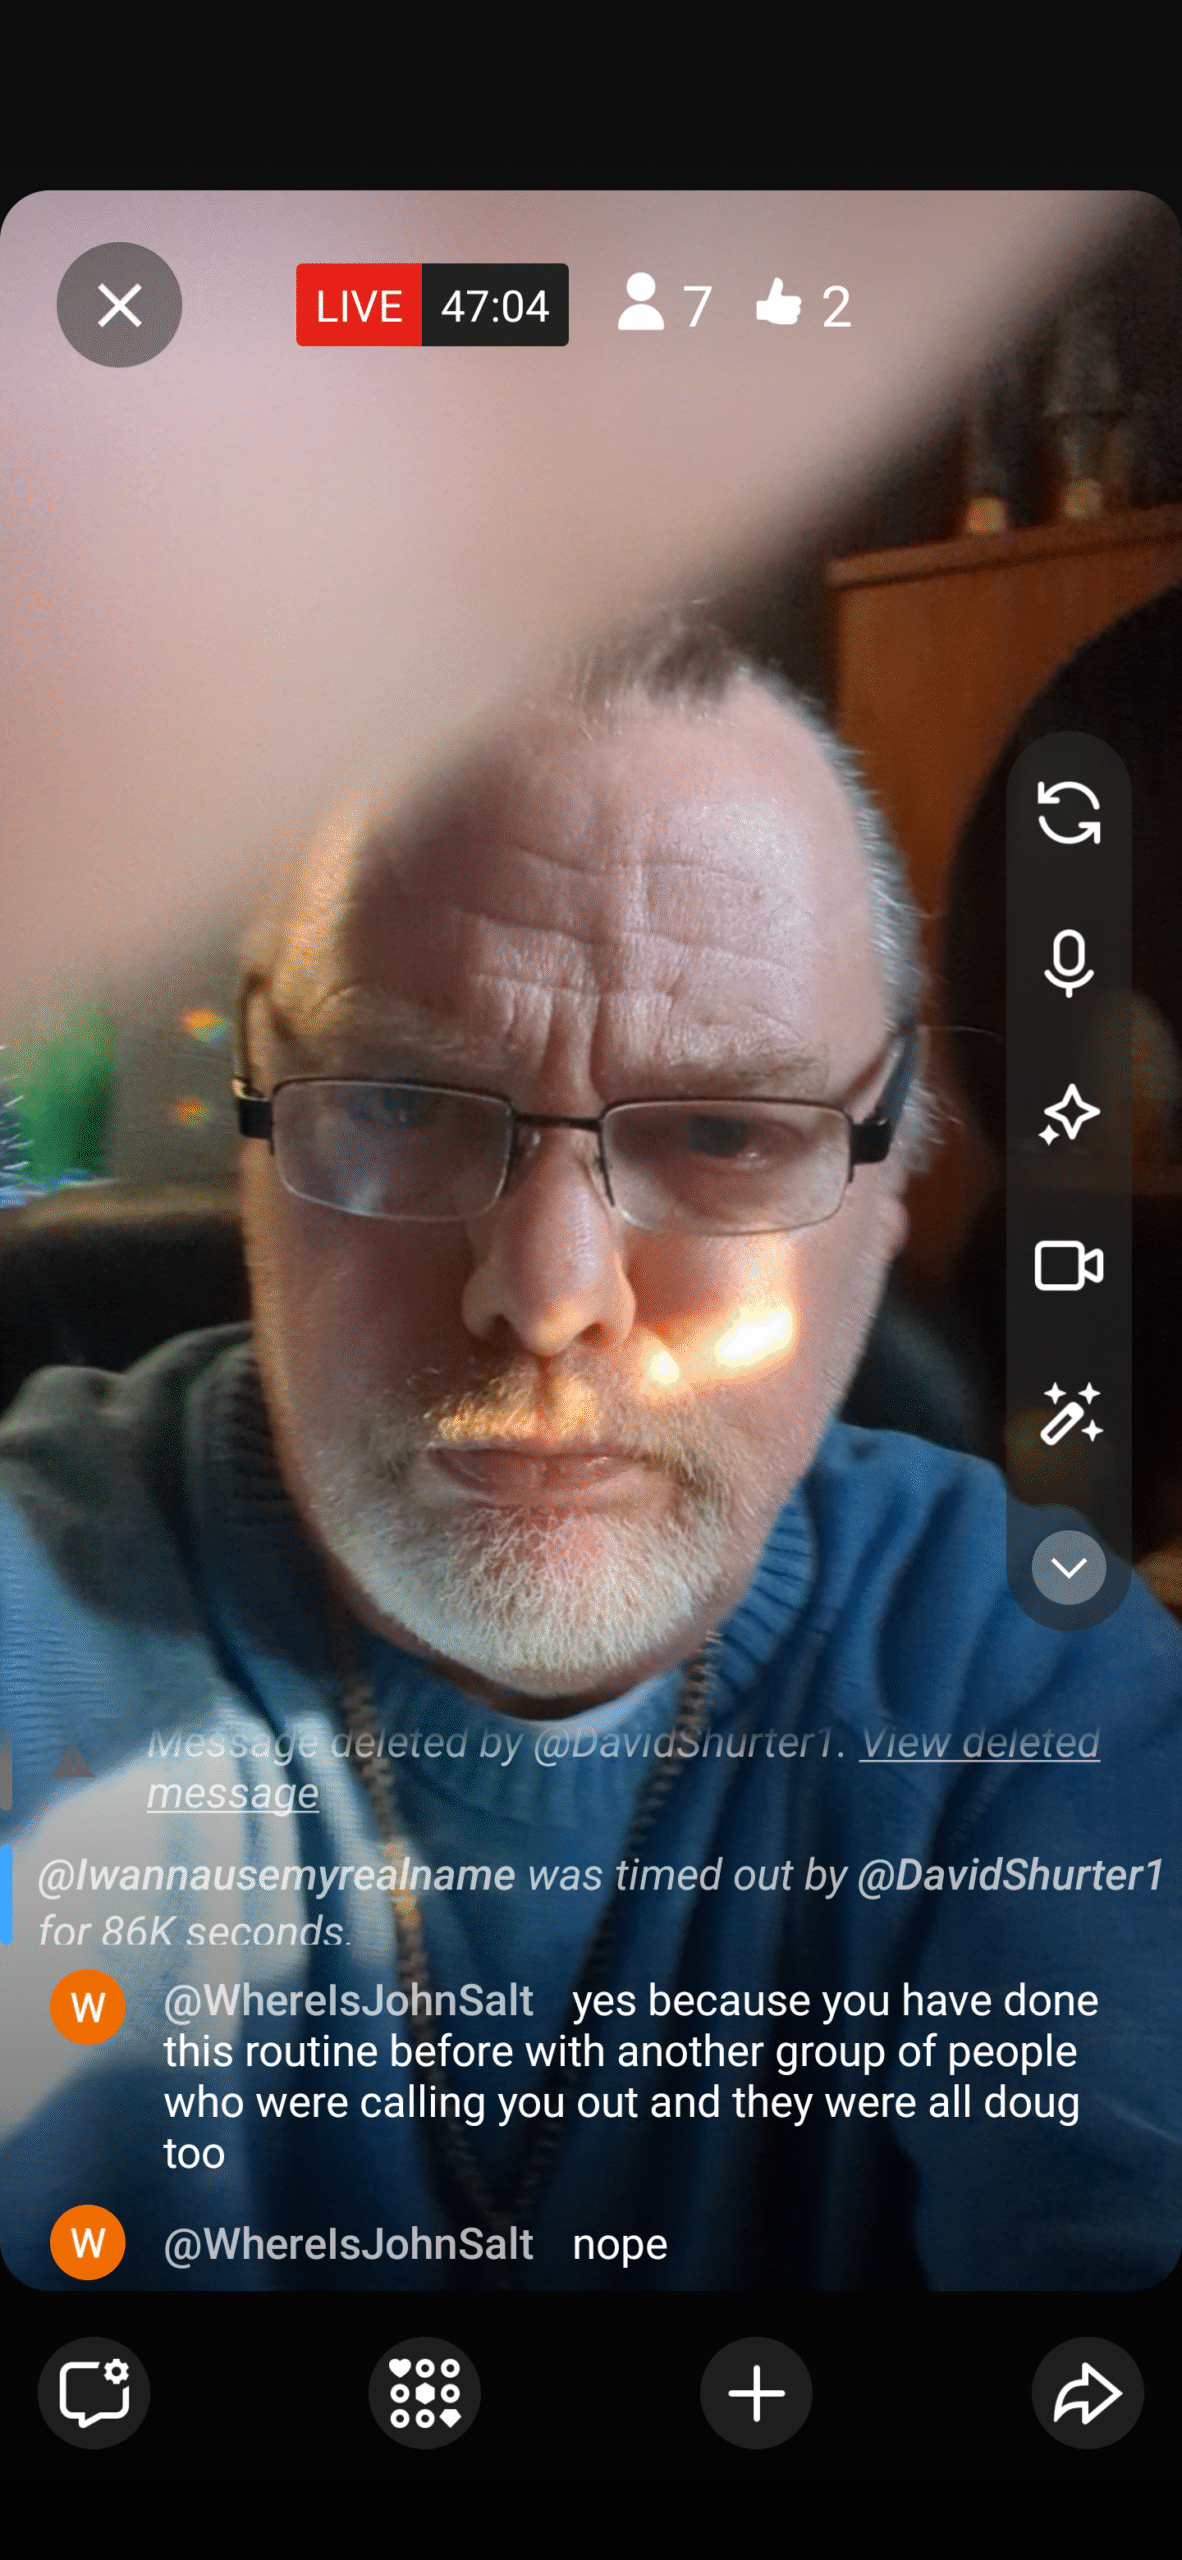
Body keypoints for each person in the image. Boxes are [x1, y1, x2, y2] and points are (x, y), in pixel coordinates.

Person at [1, 620, 1178, 2293]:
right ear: (257, 1108)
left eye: (723, 1131)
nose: (547, 1295)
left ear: (892, 1181)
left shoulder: (1031, 1685)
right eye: (401, 1100)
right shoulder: (34, 1608)